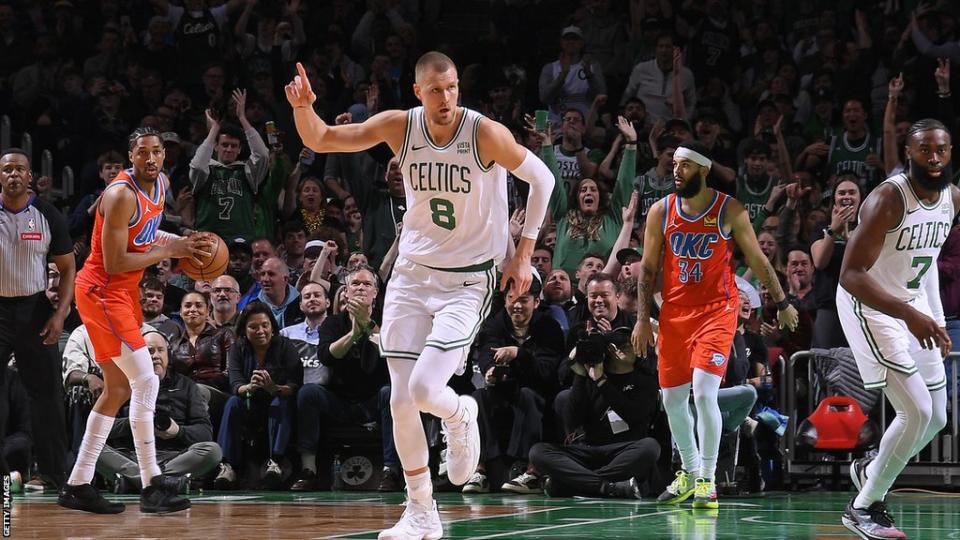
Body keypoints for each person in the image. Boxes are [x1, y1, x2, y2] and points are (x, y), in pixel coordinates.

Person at [286, 51, 554, 539]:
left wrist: (523, 253)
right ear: (417, 92)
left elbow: (543, 178)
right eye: (436, 89)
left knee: (426, 390)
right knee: (401, 403)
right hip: (411, 274)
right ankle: (421, 511)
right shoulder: (399, 126)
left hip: (469, 279)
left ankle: (460, 412)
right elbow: (322, 137)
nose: (446, 97)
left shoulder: (484, 132)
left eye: (452, 87)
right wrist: (304, 107)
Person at [630, 140, 798, 510]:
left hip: (716, 312)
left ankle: (707, 478)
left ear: (703, 170)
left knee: (704, 394)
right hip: (674, 314)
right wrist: (644, 318)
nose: (677, 171)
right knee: (672, 399)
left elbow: (757, 260)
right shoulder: (661, 211)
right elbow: (648, 269)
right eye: (674, 164)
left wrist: (782, 301)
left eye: (685, 165)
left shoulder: (729, 210)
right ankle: (689, 472)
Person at [57, 127, 210, 515]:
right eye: (143, 153)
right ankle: (152, 483)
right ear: (131, 156)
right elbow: (114, 261)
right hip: (101, 291)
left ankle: (78, 484)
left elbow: (144, 234)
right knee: (146, 378)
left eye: (157, 152)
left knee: (118, 389)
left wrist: (179, 240)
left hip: (122, 291)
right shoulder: (120, 194)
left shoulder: (160, 184)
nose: (151, 159)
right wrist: (170, 250)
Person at [836, 119, 956, 539]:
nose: (935, 158)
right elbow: (850, 274)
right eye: (925, 150)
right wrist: (910, 316)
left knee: (938, 417)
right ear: (909, 152)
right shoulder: (888, 199)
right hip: (868, 305)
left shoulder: (951, 199)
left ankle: (871, 467)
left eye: (942, 149)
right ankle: (863, 506)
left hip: (911, 304)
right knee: (916, 411)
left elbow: (926, 267)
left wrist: (935, 319)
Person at [0, 148, 75, 492]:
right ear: (0, 177)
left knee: (47, 396)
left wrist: (60, 314)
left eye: (20, 170)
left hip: (34, 309)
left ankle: (54, 475)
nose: (13, 175)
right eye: (7, 170)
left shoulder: (47, 215)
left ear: (30, 177)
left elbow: (67, 267)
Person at [98, 330, 222, 493]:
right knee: (91, 447)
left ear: (168, 354)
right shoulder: (124, 385)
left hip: (174, 457)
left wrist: (178, 431)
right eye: (149, 351)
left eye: (160, 350)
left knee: (213, 451)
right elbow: (102, 428)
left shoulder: (187, 386)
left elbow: (205, 433)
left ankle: (135, 481)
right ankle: (164, 481)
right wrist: (134, 422)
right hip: (132, 457)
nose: (155, 355)